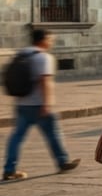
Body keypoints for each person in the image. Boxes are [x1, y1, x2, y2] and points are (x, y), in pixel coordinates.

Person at [3, 29, 80, 181]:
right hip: (38, 104)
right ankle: (62, 161)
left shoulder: (22, 54)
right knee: (53, 134)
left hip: (21, 103)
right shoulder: (44, 57)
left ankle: (9, 169)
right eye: (50, 39)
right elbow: (46, 81)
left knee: (17, 137)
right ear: (43, 40)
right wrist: (47, 103)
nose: (51, 42)